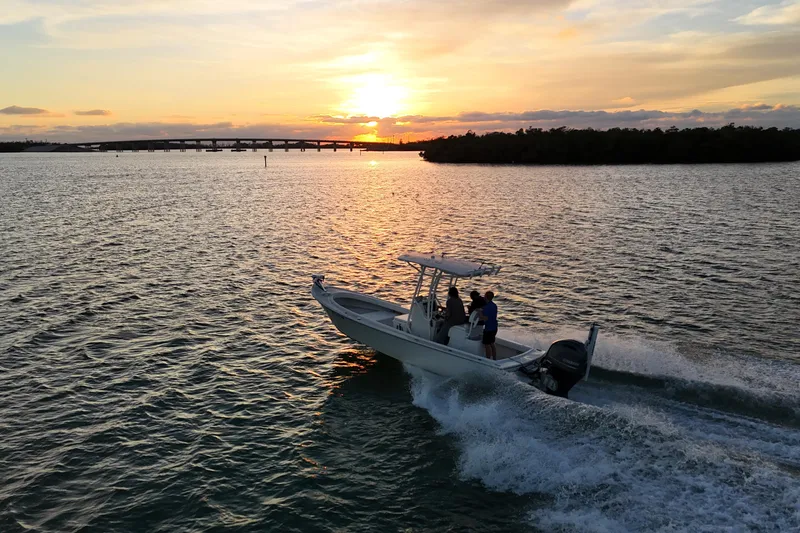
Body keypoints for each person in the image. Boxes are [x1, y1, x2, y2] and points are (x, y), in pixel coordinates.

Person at [479, 291, 498, 360]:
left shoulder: (486, 307)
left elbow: (485, 318)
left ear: (486, 297)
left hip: (489, 329)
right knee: (492, 343)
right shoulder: (494, 305)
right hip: (495, 327)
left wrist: (480, 312)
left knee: (487, 344)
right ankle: (494, 358)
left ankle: (488, 359)